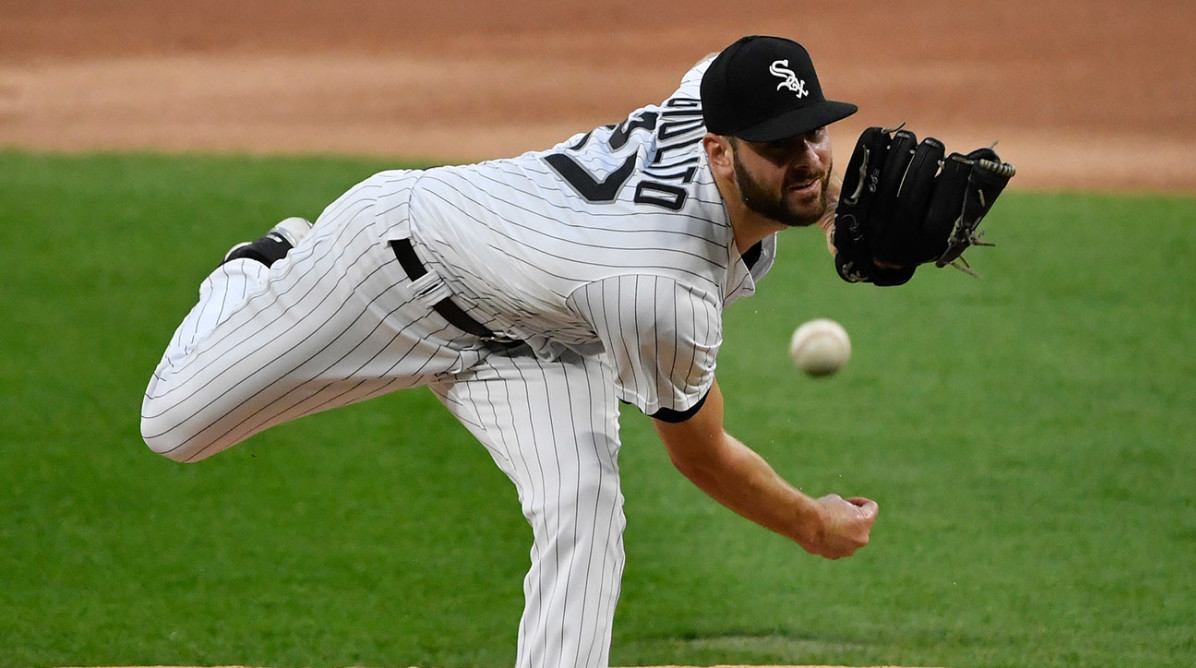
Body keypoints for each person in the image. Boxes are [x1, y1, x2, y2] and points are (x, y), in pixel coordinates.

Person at [141, 35, 879, 668]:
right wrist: (809, 524)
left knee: (584, 508)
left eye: (815, 132)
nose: (808, 156)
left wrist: (834, 207)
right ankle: (266, 263)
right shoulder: (658, 286)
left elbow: (730, 65)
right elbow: (701, 454)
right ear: (718, 151)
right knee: (173, 428)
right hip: (389, 269)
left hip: (545, 337)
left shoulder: (711, 101)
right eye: (780, 145)